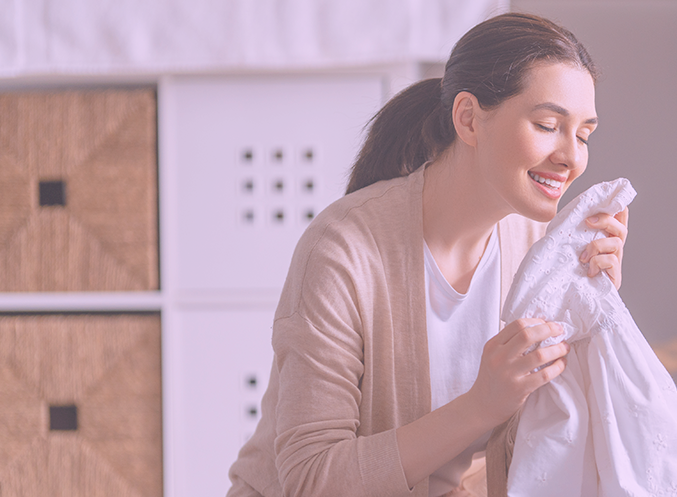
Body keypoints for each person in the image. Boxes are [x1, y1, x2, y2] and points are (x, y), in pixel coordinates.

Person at [227, 13, 629, 497]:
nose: (573, 157)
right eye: (548, 125)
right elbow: (312, 477)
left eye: (584, 134)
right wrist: (482, 405)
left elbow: (552, 438)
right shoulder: (344, 250)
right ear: (468, 119)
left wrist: (591, 311)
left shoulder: (538, 245)